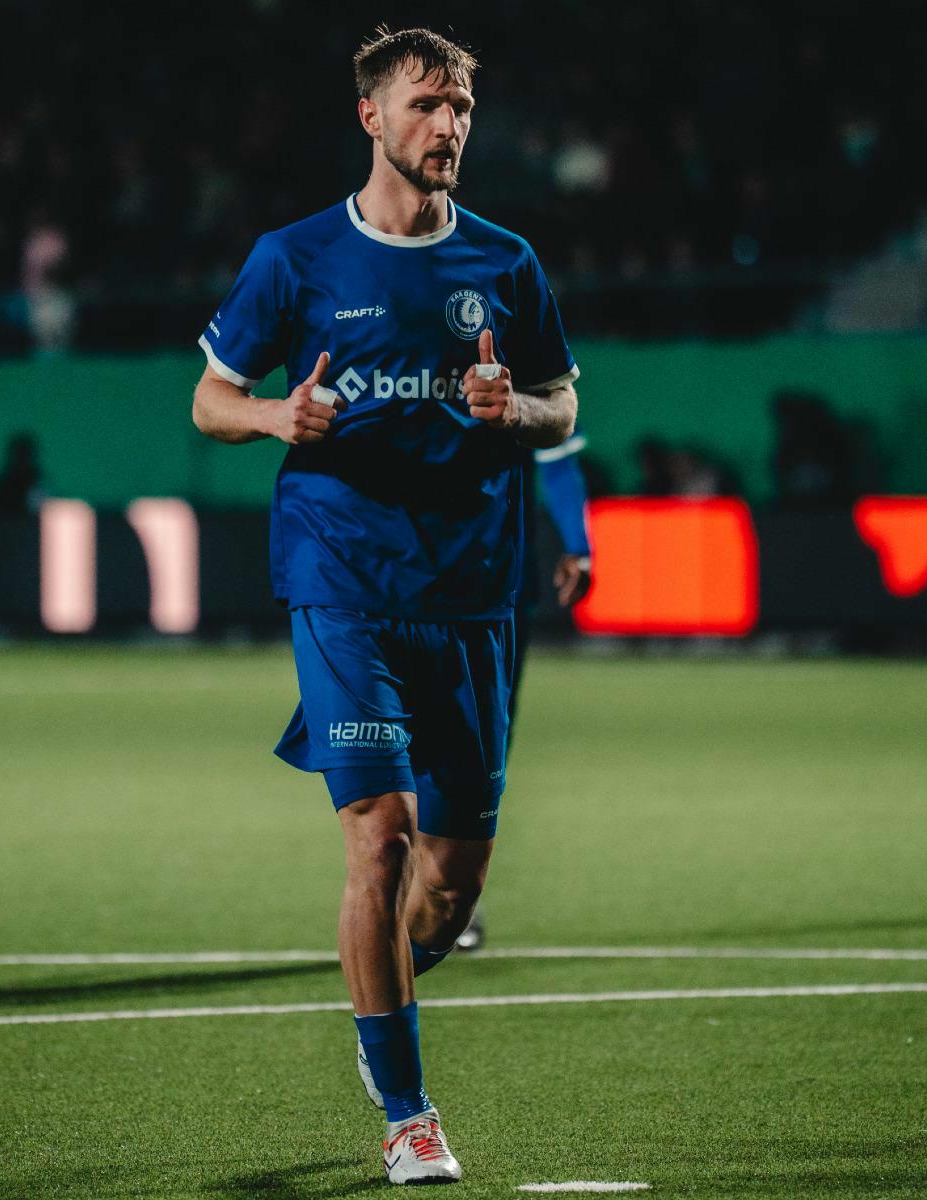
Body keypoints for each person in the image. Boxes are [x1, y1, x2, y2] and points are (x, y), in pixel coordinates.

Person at [190, 27, 578, 1186]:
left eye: (461, 107)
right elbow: (211, 399)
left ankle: (382, 1001)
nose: (448, 125)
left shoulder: (506, 261)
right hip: (342, 578)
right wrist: (276, 417)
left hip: (471, 593)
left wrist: (514, 412)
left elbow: (563, 407)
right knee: (381, 832)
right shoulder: (296, 258)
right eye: (426, 105)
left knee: (448, 890)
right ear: (371, 116)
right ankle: (409, 1112)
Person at [456, 431, 592, 952]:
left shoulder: (522, 377)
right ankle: (414, 884)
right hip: (399, 587)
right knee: (405, 743)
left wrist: (579, 545)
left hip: (501, 588)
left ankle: (454, 892)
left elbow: (556, 458)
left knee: (484, 750)